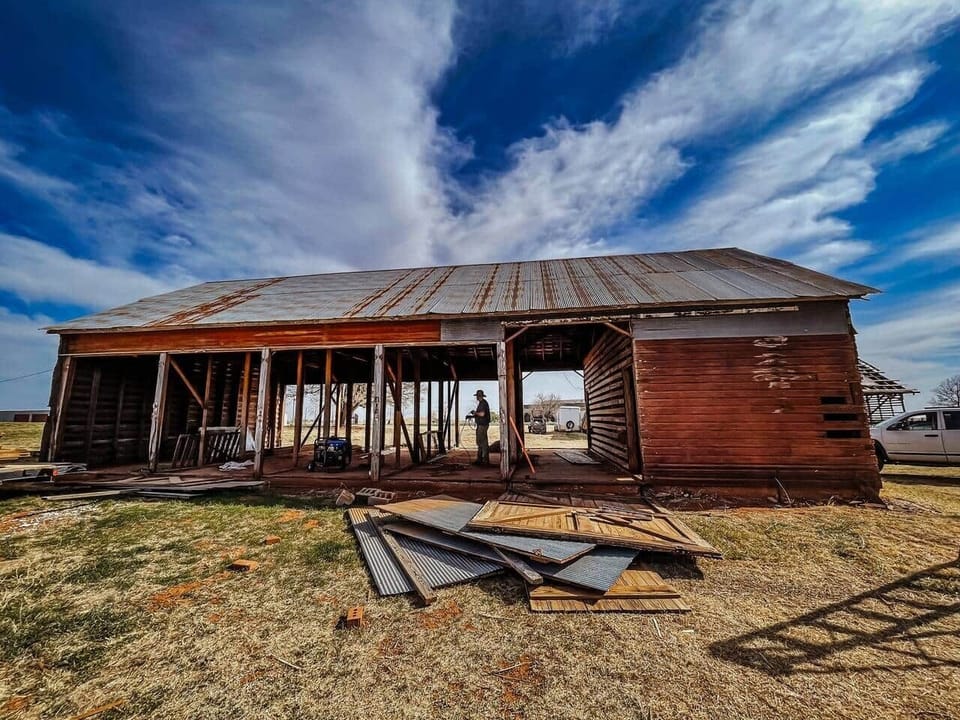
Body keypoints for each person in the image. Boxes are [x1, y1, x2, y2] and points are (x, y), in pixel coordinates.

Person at [471, 389, 491, 466]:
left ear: (479, 396)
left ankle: (484, 460)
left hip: (483, 425)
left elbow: (482, 414)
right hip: (481, 425)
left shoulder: (483, 403)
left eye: (477, 396)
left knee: (483, 442)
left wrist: (475, 413)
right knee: (480, 442)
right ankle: (480, 459)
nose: (476, 397)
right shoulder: (482, 403)